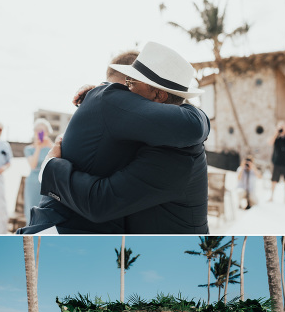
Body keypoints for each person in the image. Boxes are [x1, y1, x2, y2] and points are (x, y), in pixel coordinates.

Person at [25, 42, 210, 234]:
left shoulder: (177, 151)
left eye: (131, 83)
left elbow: (101, 202)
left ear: (158, 95)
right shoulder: (148, 131)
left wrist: (50, 168)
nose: (125, 91)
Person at [23, 119, 54, 224]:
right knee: (31, 208)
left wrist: (50, 145)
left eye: (43, 131)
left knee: (47, 210)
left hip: (48, 182)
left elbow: (59, 159)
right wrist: (38, 148)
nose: (40, 133)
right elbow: (33, 165)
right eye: (38, 131)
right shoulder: (29, 149)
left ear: (47, 132)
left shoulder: (52, 147)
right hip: (33, 182)